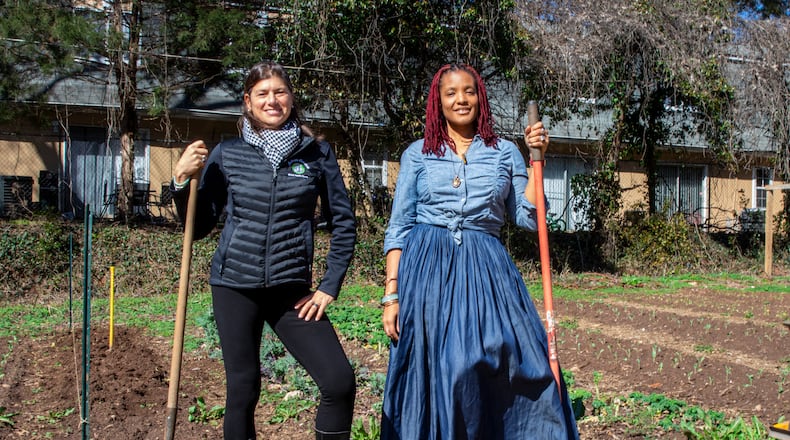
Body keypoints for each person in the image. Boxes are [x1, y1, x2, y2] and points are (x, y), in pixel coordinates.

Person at [380, 63, 579, 439]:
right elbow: (399, 226)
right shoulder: (418, 154)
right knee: (446, 367)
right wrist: (392, 294)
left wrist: (538, 159)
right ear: (437, 102)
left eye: (469, 91)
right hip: (427, 268)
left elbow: (528, 217)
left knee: (512, 355)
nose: (461, 99)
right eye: (451, 92)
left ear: (480, 97)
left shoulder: (504, 152)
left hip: (486, 266)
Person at [170, 61, 357, 440]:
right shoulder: (228, 154)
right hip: (234, 285)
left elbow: (344, 222)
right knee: (243, 388)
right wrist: (179, 179)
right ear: (248, 102)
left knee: (338, 382)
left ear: (291, 98)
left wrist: (328, 285)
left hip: (292, 291)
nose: (272, 100)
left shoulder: (317, 154)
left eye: (279, 92)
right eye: (263, 94)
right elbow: (199, 226)